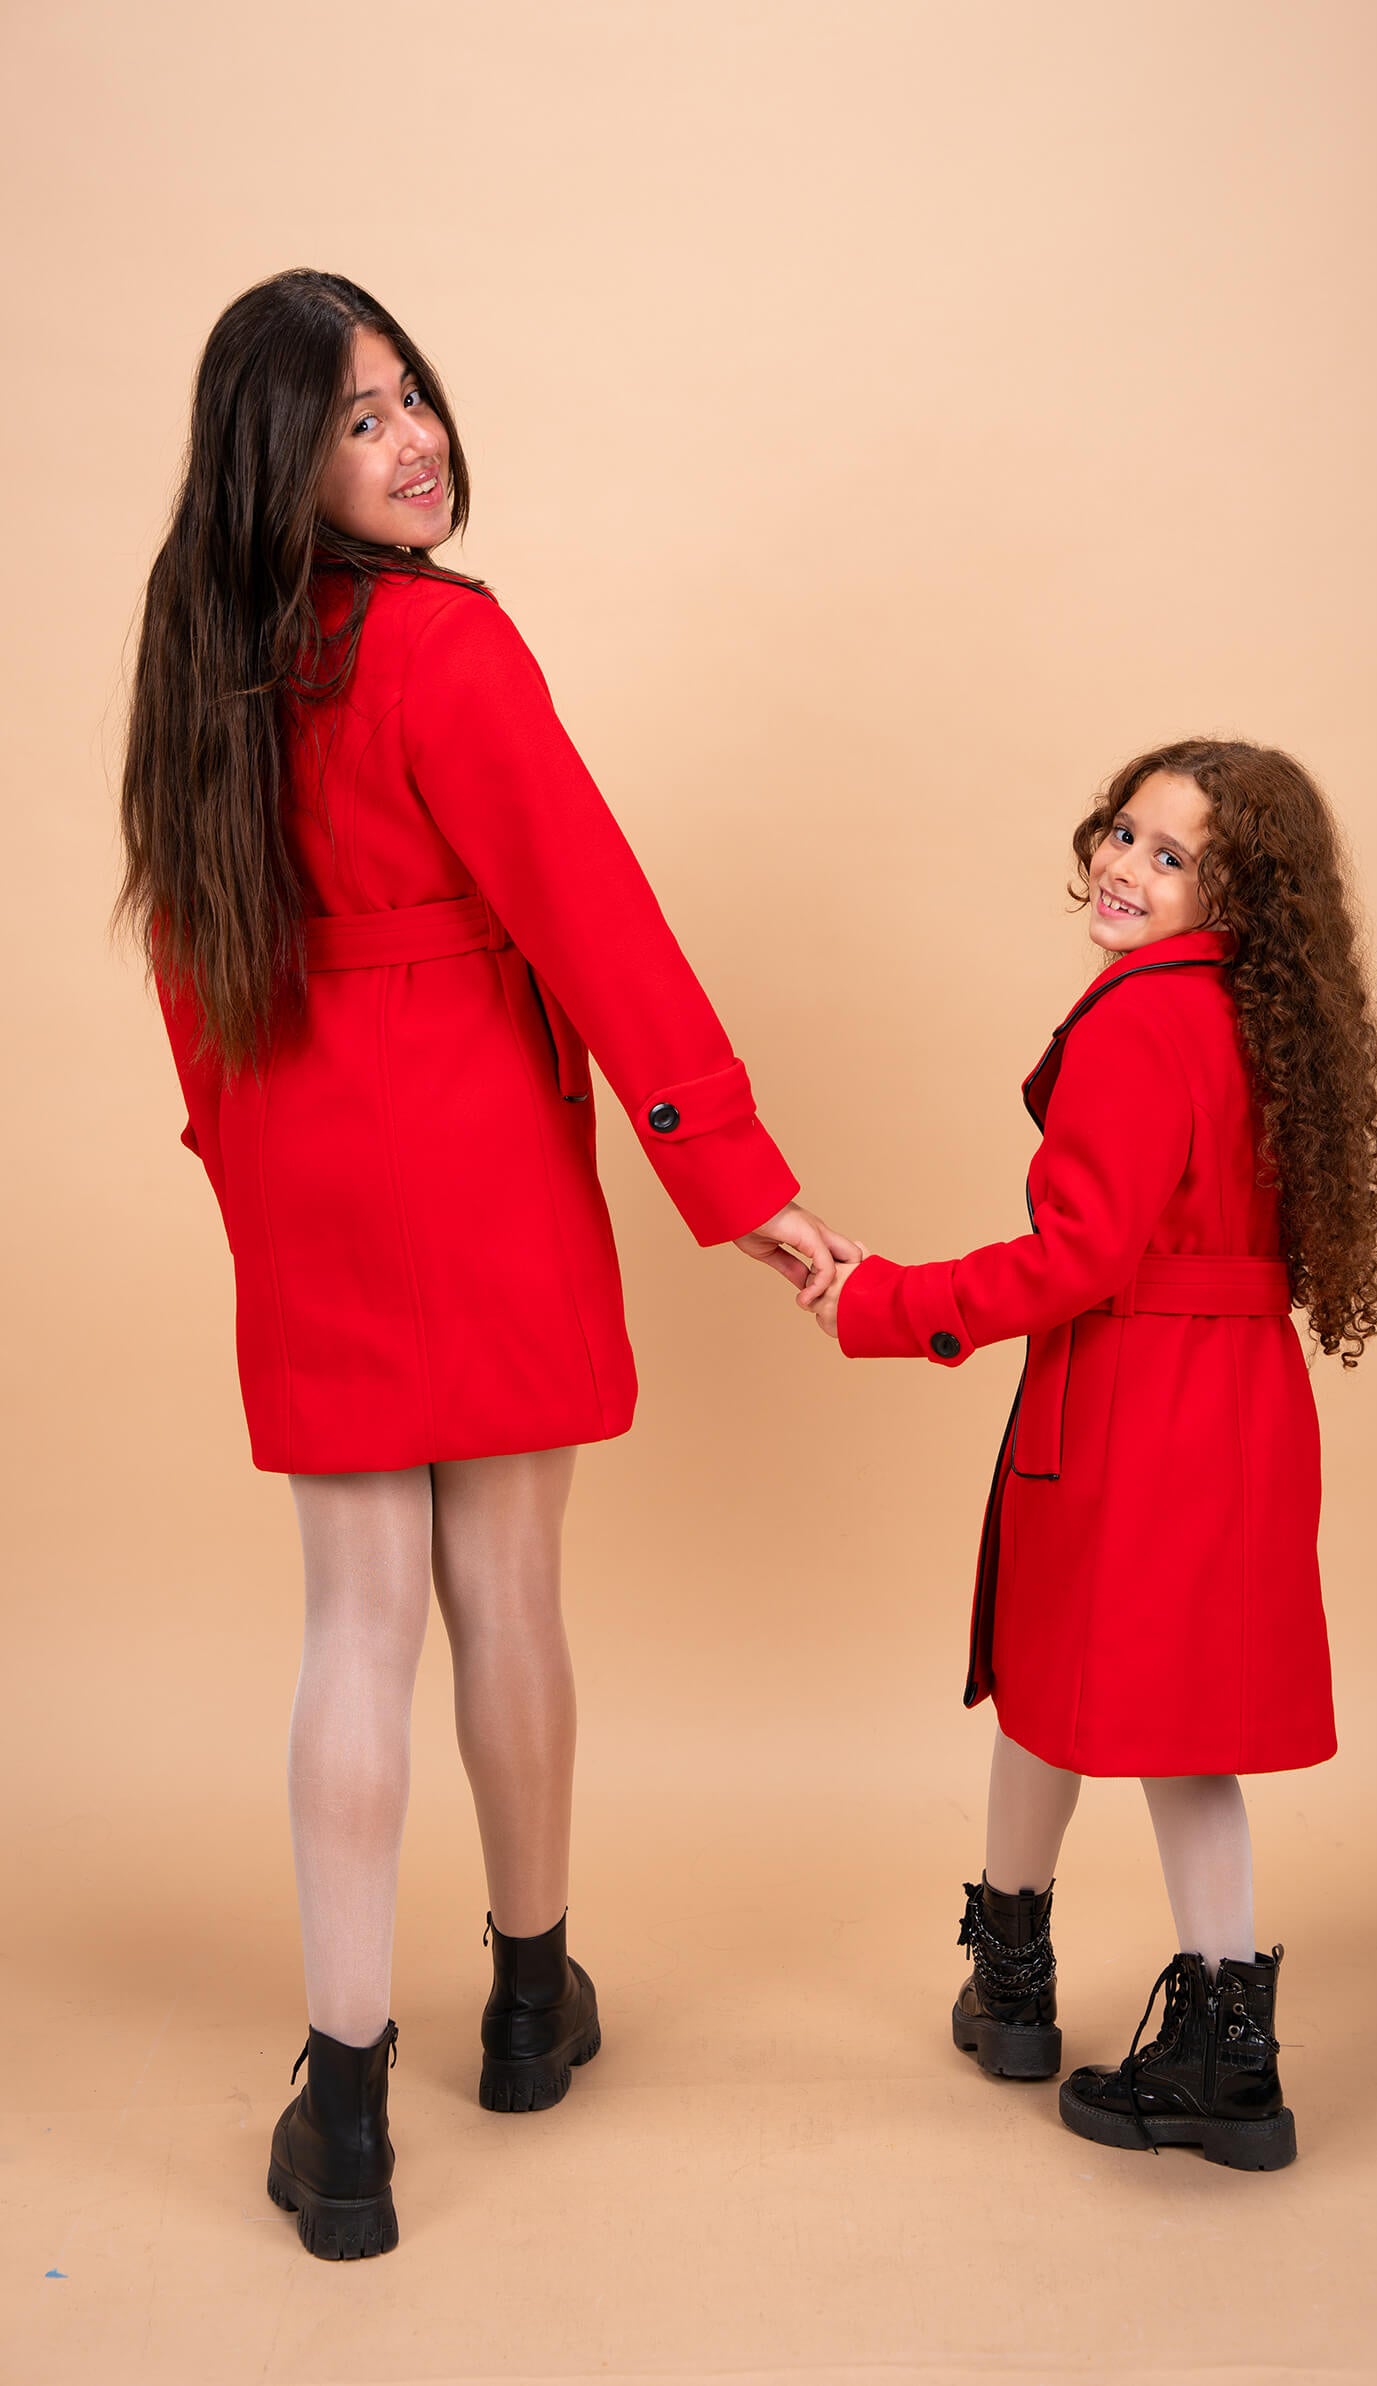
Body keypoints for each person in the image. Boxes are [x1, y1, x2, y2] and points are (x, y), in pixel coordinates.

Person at [117, 268, 855, 2259]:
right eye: (358, 417)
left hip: (310, 1168)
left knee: (355, 1622)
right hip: (481, 1162)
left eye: (411, 394)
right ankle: (530, 2001)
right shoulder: (447, 644)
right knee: (507, 1587)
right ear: (282, 459)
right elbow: (587, 904)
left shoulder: (200, 660)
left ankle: (345, 2109)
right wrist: (732, 1168)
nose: (412, 437)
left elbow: (191, 953)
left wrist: (244, 1161)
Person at [811, 741, 1377, 2170]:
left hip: (1131, 1402)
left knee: (1104, 1697)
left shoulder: (1141, 1021)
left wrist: (881, 1299)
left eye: (1173, 854)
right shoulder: (1273, 1026)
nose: (1126, 865)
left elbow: (1079, 1256)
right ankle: (1099, 2004)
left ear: (1235, 895)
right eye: (1125, 831)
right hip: (1243, 1405)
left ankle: (1141, 2029)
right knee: (1110, 1692)